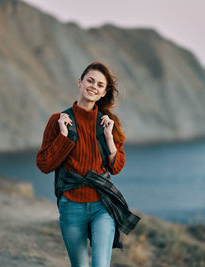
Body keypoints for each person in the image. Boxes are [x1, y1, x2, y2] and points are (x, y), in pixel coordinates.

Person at [36, 62, 138, 267]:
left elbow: (116, 167)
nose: (93, 86)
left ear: (103, 93)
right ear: (80, 82)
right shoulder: (58, 121)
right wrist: (64, 136)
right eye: (90, 81)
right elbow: (44, 165)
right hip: (70, 207)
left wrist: (109, 138)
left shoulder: (108, 124)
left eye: (100, 85)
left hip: (102, 206)